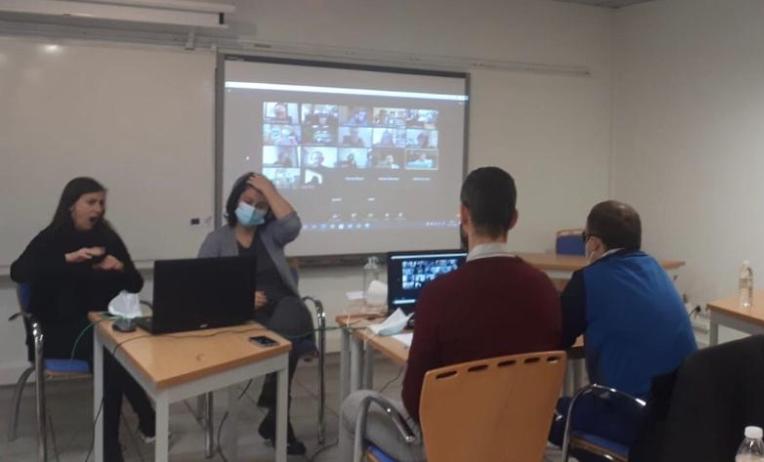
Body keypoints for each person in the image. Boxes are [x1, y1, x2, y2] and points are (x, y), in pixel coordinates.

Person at [338, 167, 562, 462]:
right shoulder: (543, 287)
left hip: (449, 447)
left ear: (463, 215)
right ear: (514, 219)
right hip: (522, 440)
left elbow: (415, 402)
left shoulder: (439, 294)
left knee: (354, 405)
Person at [10, 177, 156, 462]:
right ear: (71, 205)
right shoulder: (50, 239)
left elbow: (135, 283)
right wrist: (68, 258)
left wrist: (120, 266)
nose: (98, 209)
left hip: (101, 326)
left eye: (101, 203)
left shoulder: (108, 238)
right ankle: (117, 443)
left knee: (118, 349)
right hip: (56, 331)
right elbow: (19, 271)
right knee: (113, 356)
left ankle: (137, 428)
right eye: (91, 202)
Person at [548, 201, 697, 457]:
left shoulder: (589, 280)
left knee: (542, 412)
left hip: (632, 418)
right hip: (683, 415)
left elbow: (555, 338)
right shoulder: (656, 269)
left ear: (594, 243)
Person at [197, 173, 316, 455]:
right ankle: (277, 421)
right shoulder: (217, 240)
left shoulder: (271, 234)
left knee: (291, 314)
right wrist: (241, 298)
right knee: (289, 342)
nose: (254, 208)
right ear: (235, 201)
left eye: (260, 205)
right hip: (246, 316)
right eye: (248, 201)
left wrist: (269, 188)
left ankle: (273, 409)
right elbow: (201, 285)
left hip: (284, 306)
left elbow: (293, 224)